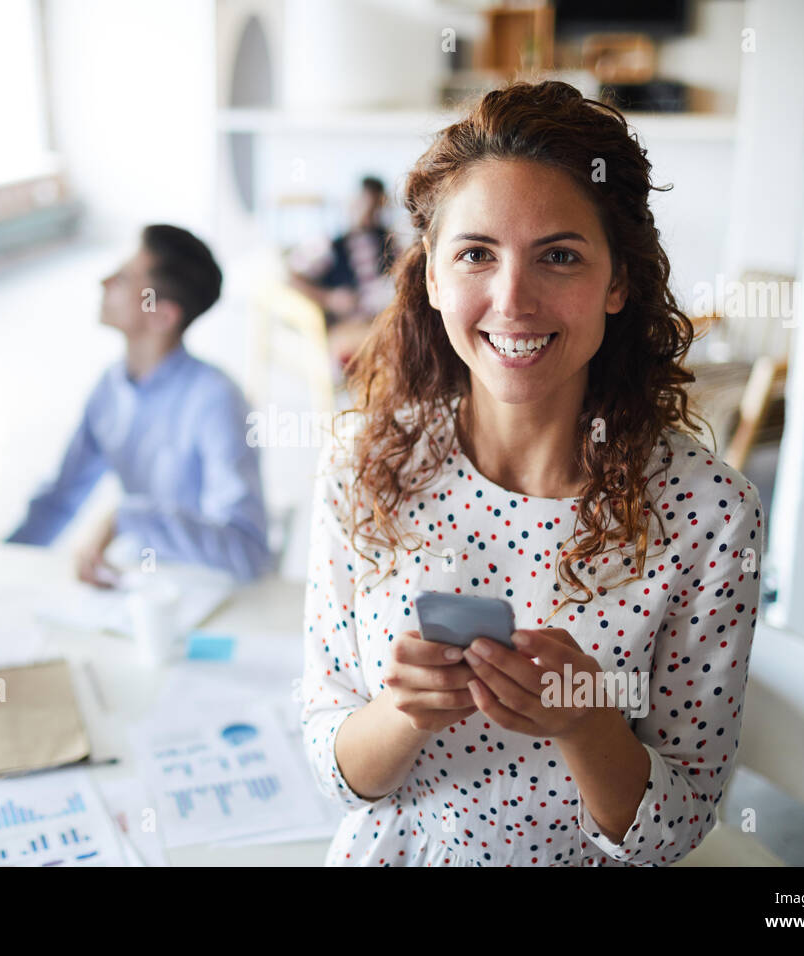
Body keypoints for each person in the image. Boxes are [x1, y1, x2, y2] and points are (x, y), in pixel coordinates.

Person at [300, 80, 764, 867]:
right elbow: (333, 768)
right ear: (434, 277)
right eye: (477, 253)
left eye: (559, 256)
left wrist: (586, 721)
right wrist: (402, 711)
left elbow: (682, 824)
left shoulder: (709, 514)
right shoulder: (362, 465)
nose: (513, 300)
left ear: (618, 282)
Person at [7, 224, 271, 585]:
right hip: (144, 586)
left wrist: (126, 518)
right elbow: (60, 499)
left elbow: (248, 552)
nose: (104, 282)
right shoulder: (109, 388)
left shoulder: (216, 401)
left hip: (207, 593)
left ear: (162, 316)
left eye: (125, 279)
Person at [288, 176, 398, 367]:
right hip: (350, 326)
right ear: (354, 202)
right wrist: (328, 298)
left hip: (385, 319)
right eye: (365, 204)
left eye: (376, 207)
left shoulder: (390, 242)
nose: (370, 213)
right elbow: (291, 277)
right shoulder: (329, 245)